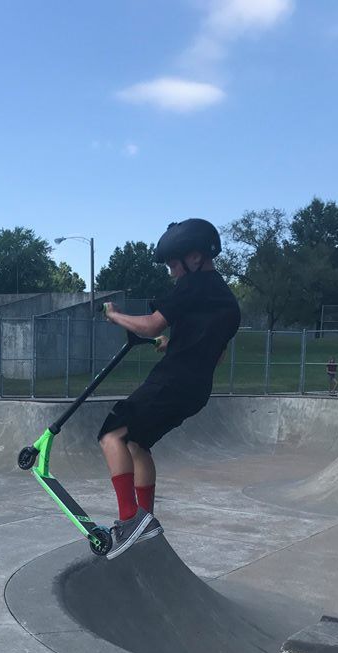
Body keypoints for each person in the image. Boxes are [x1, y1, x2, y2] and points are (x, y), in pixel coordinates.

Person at [98, 219, 241, 559]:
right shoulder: (227, 301)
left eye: (174, 266)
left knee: (111, 435)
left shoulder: (193, 285)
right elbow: (215, 351)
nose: (173, 274)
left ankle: (129, 520)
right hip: (196, 391)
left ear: (195, 258)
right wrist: (173, 343)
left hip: (171, 381)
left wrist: (115, 316)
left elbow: (150, 326)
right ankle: (145, 523)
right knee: (137, 444)